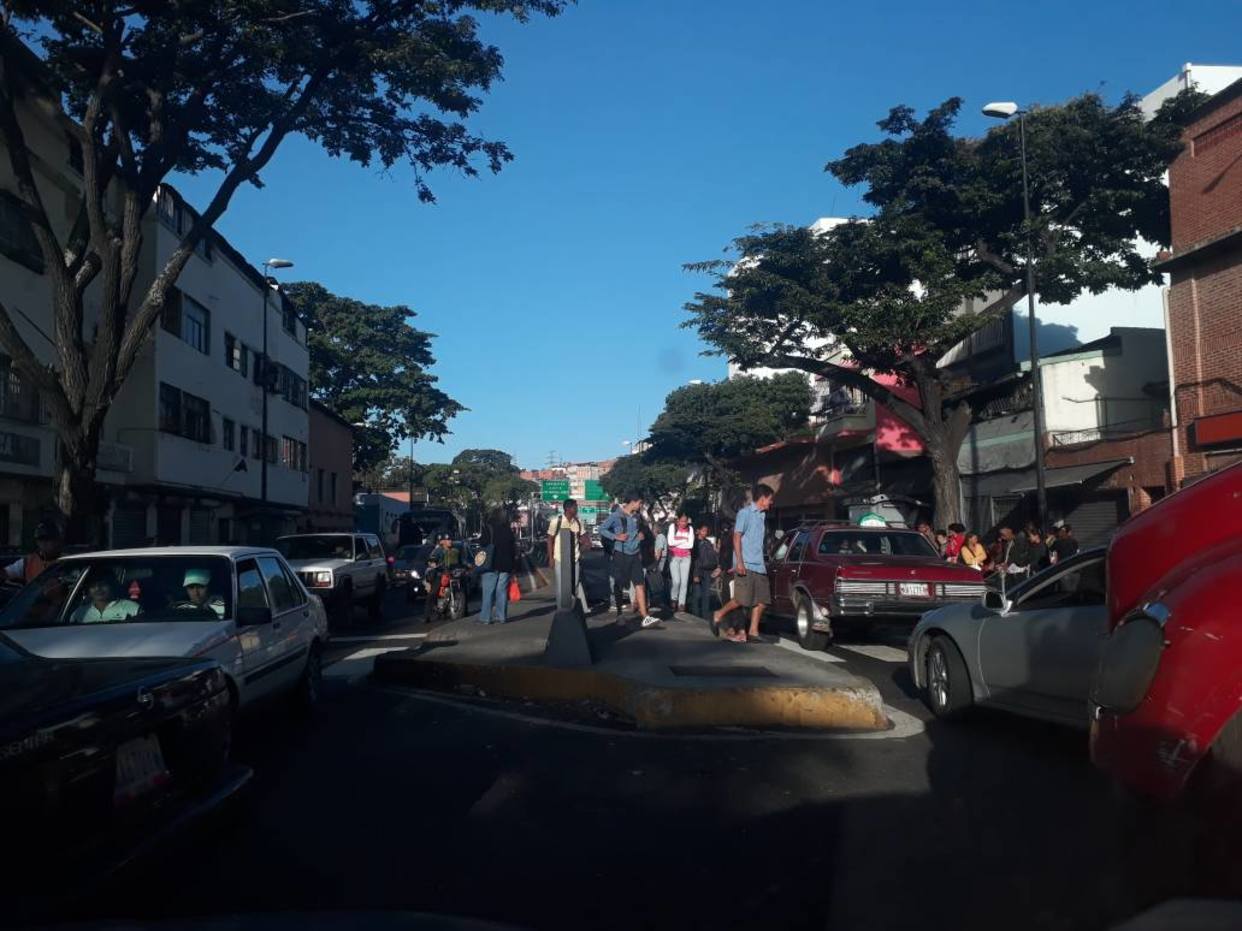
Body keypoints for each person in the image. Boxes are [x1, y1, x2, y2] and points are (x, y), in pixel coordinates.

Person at [713, 484, 776, 643]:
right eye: (770, 499)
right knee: (741, 600)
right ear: (762, 499)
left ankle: (753, 632)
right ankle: (718, 615)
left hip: (759, 564)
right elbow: (737, 537)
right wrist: (739, 561)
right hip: (746, 563)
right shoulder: (745, 513)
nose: (771, 503)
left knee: (762, 601)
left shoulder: (762, 516)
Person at [597, 493, 658, 628]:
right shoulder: (616, 516)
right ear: (633, 502)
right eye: (640, 503)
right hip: (621, 554)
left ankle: (645, 616)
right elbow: (602, 529)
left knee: (640, 584)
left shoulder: (637, 516)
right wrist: (616, 537)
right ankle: (620, 613)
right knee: (619, 585)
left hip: (635, 554)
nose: (641, 506)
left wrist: (641, 536)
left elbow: (642, 531)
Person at [546, 499, 588, 615]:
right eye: (575, 507)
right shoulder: (557, 521)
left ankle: (572, 610)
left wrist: (585, 545)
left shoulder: (578, 522)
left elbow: (584, 538)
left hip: (574, 559)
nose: (577, 509)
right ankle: (561, 611)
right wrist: (550, 558)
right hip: (560, 559)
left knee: (574, 585)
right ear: (568, 509)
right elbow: (549, 539)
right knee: (561, 587)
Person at [479, 507, 517, 624]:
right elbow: (513, 550)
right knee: (501, 591)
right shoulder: (508, 530)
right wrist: (513, 567)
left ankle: (486, 618)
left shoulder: (488, 528)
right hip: (505, 565)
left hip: (490, 564)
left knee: (488, 592)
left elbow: (482, 543)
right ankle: (501, 617)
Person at [5, 520, 64, 584]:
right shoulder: (28, 562)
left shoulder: (67, 560)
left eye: (48, 539)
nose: (44, 543)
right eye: (40, 539)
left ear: (57, 541)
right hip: (31, 593)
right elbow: (7, 572)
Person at [71, 576, 141, 623]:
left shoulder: (132, 608)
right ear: (88, 590)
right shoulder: (79, 613)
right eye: (93, 586)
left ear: (112, 586)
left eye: (102, 584)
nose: (98, 589)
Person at [688, 523, 720, 620]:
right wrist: (695, 574)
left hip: (708, 572)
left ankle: (704, 616)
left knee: (706, 595)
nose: (705, 533)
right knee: (697, 595)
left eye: (706, 531)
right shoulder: (694, 543)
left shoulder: (708, 543)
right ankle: (695, 615)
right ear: (698, 531)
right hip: (698, 571)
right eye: (703, 530)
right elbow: (694, 560)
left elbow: (713, 557)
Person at [666, 513, 694, 614]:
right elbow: (670, 542)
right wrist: (683, 540)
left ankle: (681, 604)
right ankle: (674, 598)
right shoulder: (672, 527)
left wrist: (677, 541)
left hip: (686, 557)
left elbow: (690, 544)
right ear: (678, 521)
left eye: (685, 521)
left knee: (684, 582)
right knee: (676, 581)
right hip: (674, 557)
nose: (683, 523)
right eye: (681, 521)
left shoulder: (690, 529)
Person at [649, 519, 669, 610]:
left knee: (657, 583)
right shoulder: (662, 537)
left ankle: (658, 604)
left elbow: (659, 552)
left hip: (660, 562)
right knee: (659, 583)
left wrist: (654, 564)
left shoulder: (660, 537)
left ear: (656, 529)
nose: (652, 531)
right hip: (661, 561)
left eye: (653, 529)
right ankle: (659, 603)